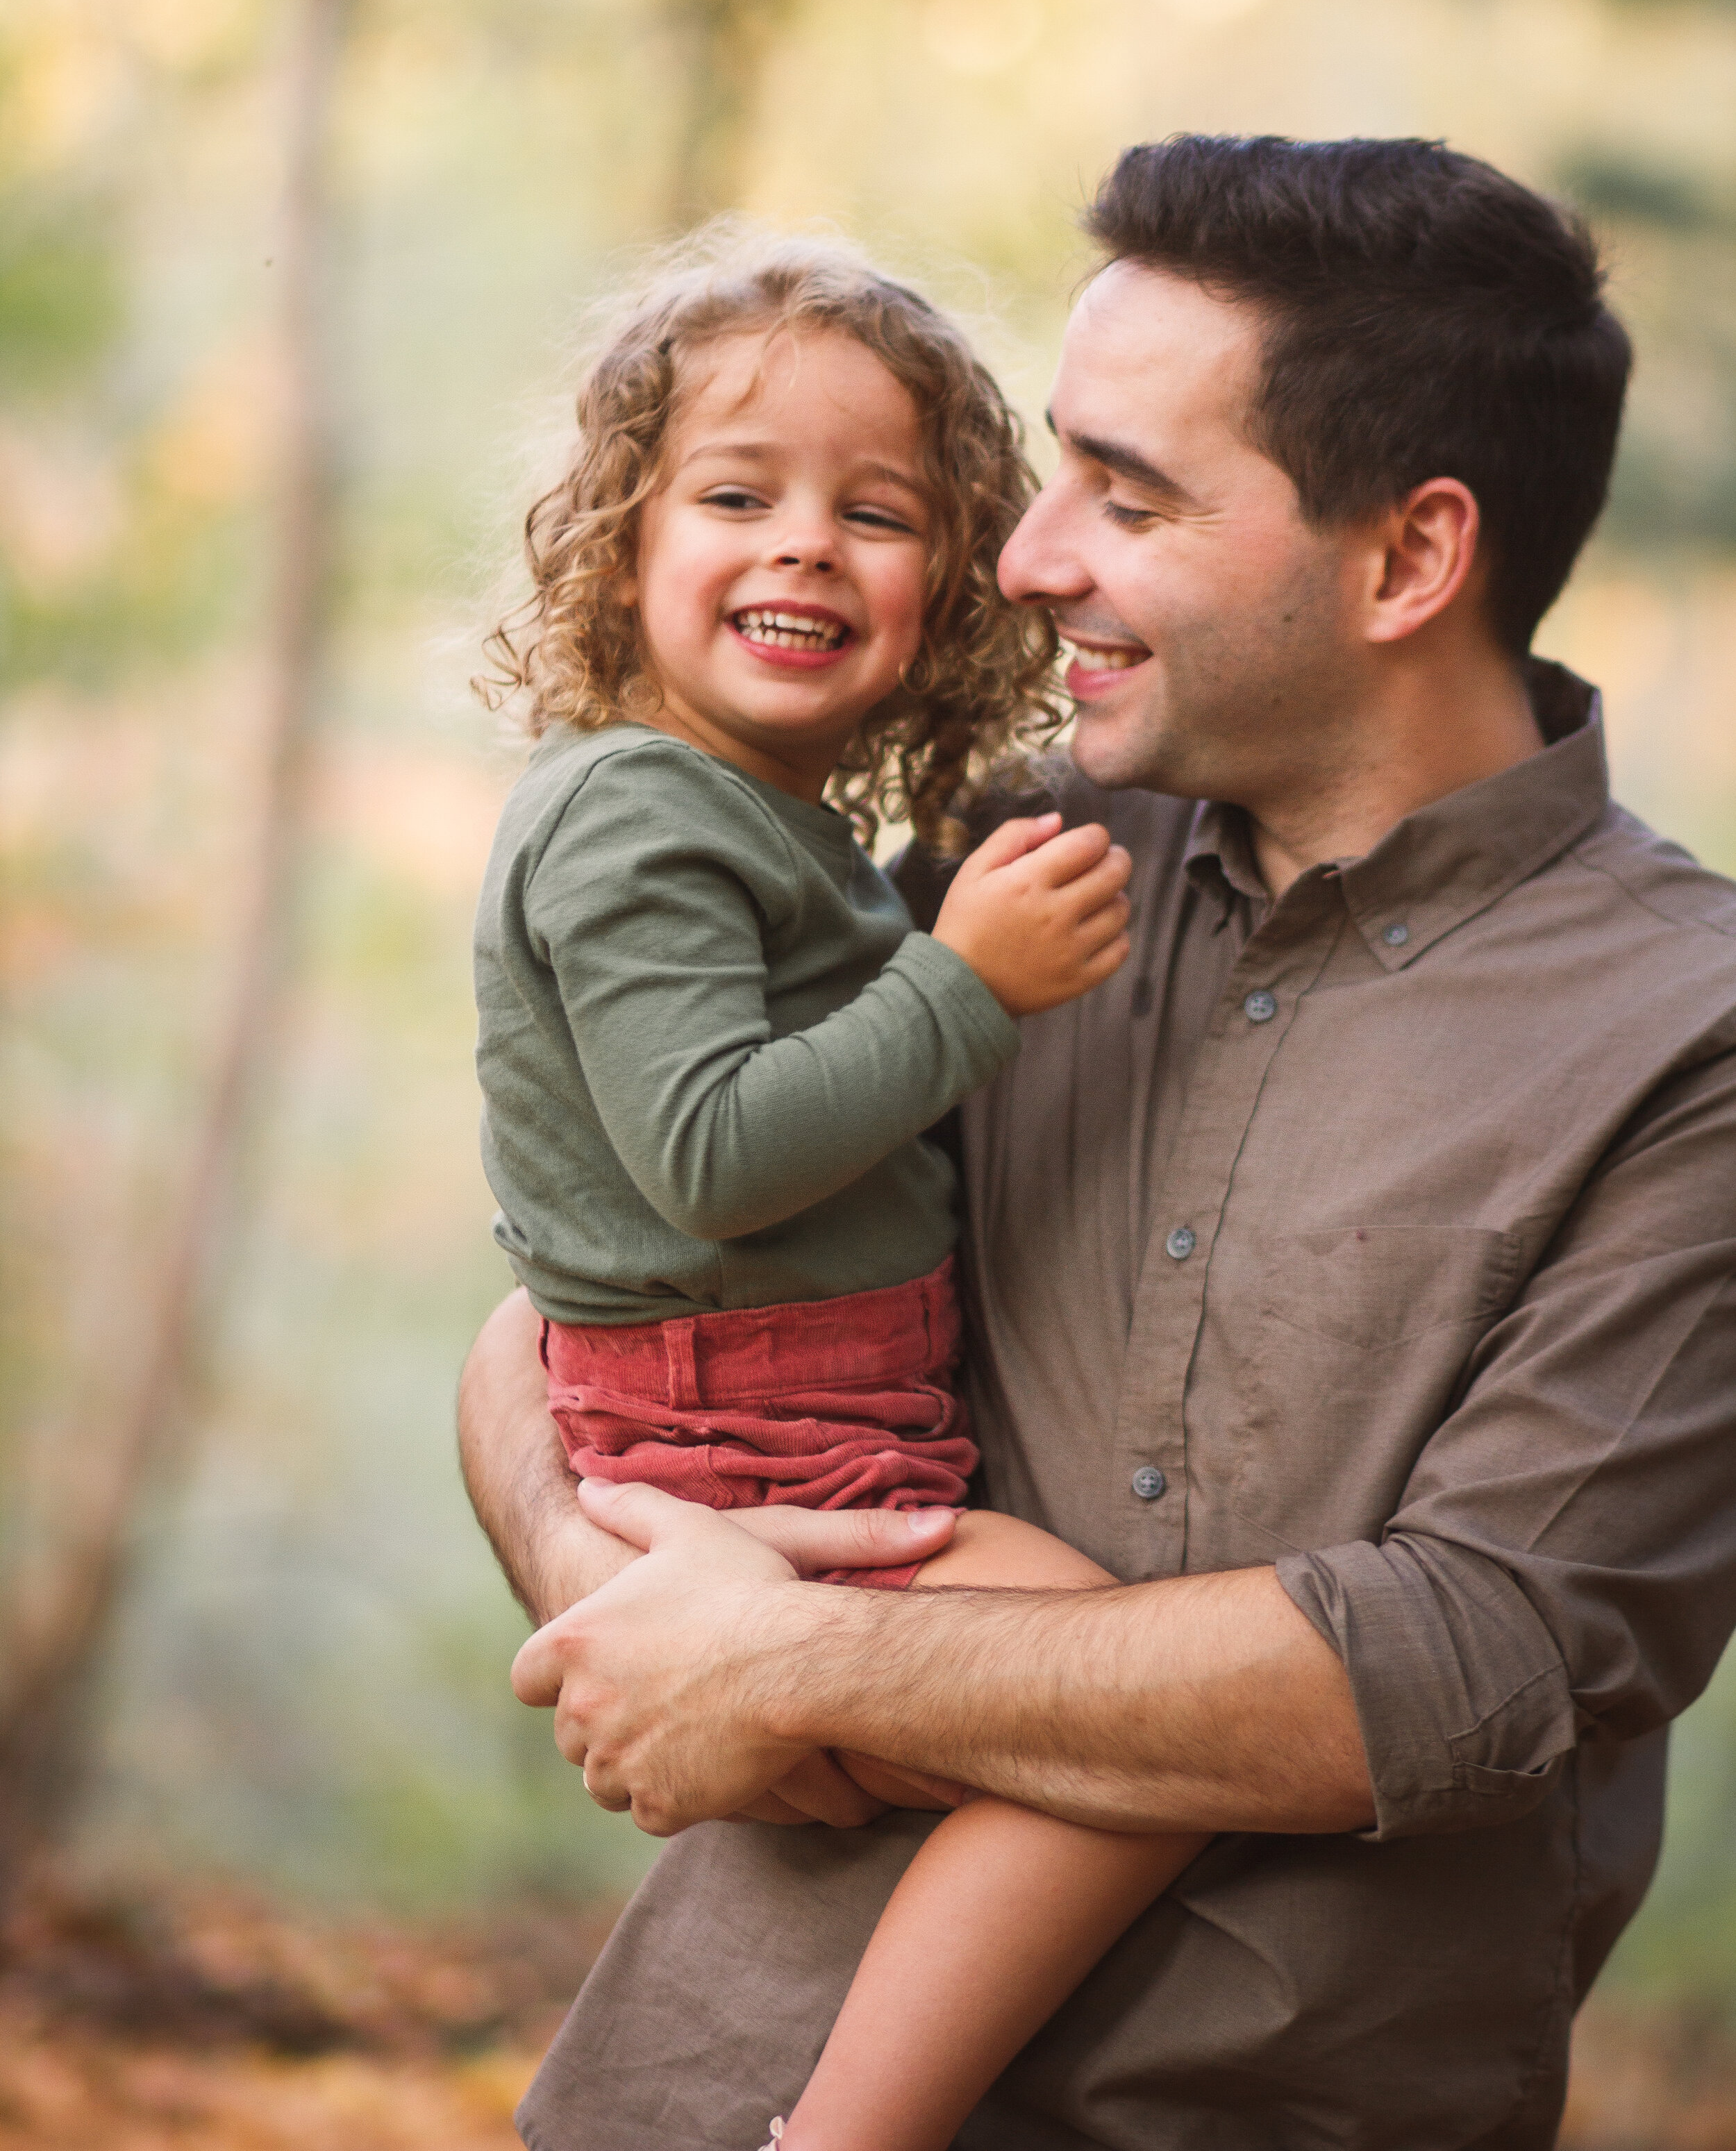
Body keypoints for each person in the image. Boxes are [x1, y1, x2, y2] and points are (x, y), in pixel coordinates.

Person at [462, 136, 1736, 2151]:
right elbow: (607, 1282)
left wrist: (791, 1656)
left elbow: (1465, 1664)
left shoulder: (1685, 1043)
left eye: (1123, 496)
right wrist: (613, 1586)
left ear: (1408, 560)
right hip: (704, 2079)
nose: (1024, 556)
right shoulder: (1014, 868)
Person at [469, 233, 1226, 2151]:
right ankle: (848, 2134)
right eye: (736, 495)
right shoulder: (633, 814)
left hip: (817, 1417)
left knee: (1060, 1724)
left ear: (952, 577)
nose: (803, 543)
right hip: (755, 1431)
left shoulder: (766, 820)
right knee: (1118, 1724)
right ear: (619, 543)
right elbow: (710, 1156)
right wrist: (962, 984)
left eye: (873, 512)